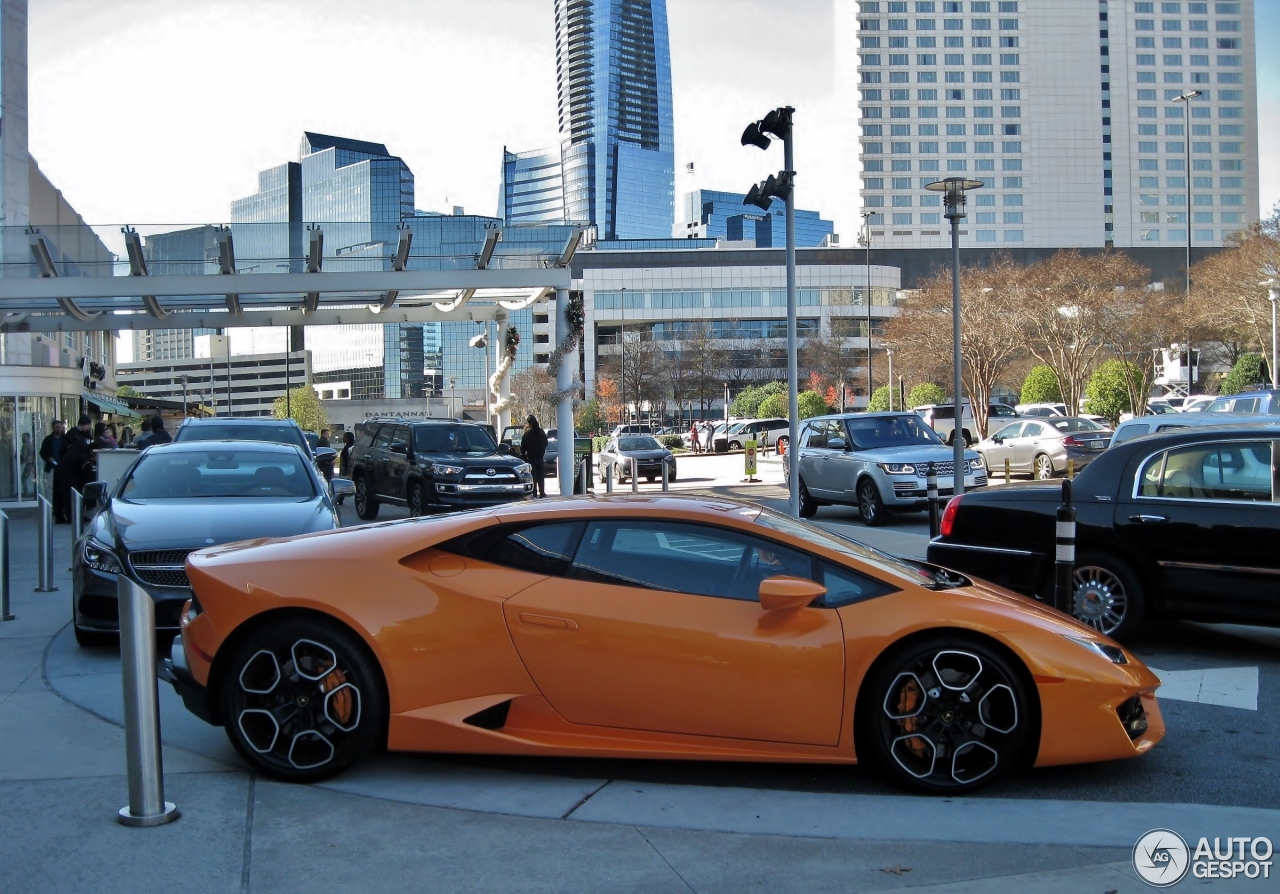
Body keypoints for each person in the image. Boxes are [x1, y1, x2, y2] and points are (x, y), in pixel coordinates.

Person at [54, 415, 95, 524]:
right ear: (85, 425)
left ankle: (74, 515)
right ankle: (72, 516)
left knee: (69, 493)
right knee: (69, 494)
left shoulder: (75, 436)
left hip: (69, 468)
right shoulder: (76, 438)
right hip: (68, 469)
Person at [520, 414, 548, 498]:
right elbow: (545, 443)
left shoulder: (527, 434)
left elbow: (523, 446)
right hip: (540, 458)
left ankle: (534, 492)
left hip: (531, 458)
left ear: (529, 423)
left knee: (534, 476)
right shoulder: (541, 432)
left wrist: (524, 455)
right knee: (541, 476)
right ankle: (542, 492)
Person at [39, 420, 65, 507]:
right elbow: (42, 453)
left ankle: (62, 507)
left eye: (60, 427)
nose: (58, 429)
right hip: (51, 467)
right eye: (56, 427)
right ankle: (51, 507)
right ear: (53, 428)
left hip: (63, 467)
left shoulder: (66, 439)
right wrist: (48, 458)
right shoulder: (48, 440)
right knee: (50, 488)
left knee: (62, 488)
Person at [336, 431, 356, 505]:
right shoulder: (349, 447)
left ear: (348, 438)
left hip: (347, 469)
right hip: (346, 468)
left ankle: (340, 499)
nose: (343, 438)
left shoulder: (349, 448)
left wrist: (345, 468)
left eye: (345, 436)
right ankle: (340, 499)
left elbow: (349, 459)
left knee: (344, 484)